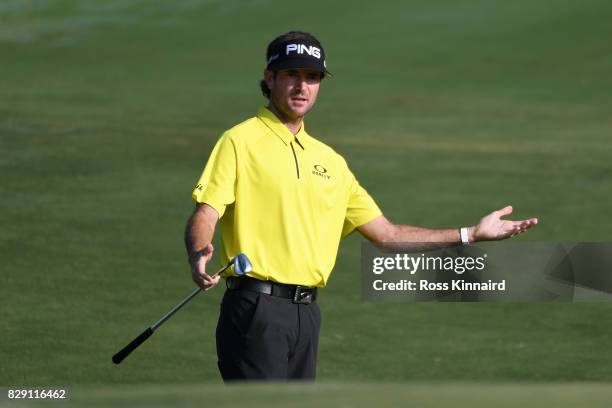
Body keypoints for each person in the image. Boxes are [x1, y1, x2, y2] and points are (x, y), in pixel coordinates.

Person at [184, 31, 538, 381]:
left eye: (312, 77)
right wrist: (199, 252)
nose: (302, 86)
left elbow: (387, 234)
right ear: (270, 77)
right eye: (292, 74)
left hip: (306, 314)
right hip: (255, 308)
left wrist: (471, 233)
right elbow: (207, 211)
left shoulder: (331, 162)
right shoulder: (240, 140)